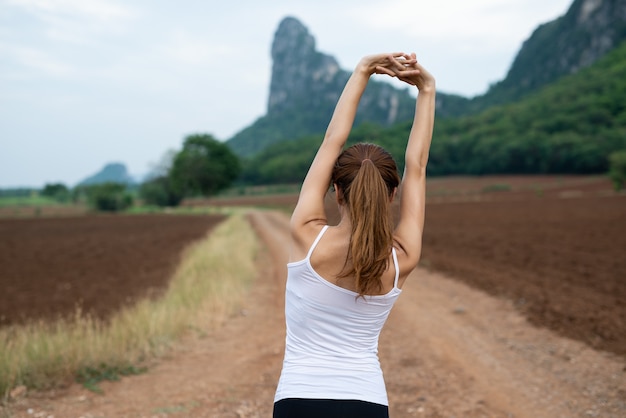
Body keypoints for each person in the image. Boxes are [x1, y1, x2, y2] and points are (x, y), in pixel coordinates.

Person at [273, 52, 436, 418]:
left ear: (336, 191)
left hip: (298, 399)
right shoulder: (401, 257)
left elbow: (333, 140)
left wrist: (363, 69)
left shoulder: (306, 235)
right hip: (365, 401)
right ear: (392, 193)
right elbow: (418, 167)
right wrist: (426, 89)